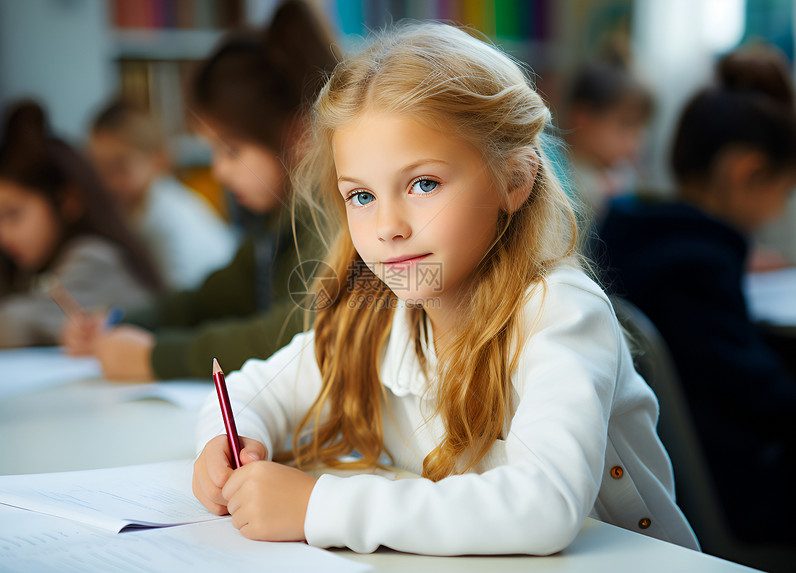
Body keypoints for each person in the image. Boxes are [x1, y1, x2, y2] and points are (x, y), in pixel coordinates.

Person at [191, 22, 699, 555]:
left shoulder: (561, 313)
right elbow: (249, 391)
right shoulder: (374, 314)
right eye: (361, 196)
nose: (388, 226)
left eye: (423, 184)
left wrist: (319, 505)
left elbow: (543, 506)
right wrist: (225, 443)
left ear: (514, 181)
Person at [61, 0, 336, 380]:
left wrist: (154, 359)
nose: (218, 172)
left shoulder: (332, 215)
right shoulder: (278, 220)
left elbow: (293, 333)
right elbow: (211, 300)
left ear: (298, 134)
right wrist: (120, 321)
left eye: (232, 150)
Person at [597, 45, 796, 544]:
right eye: (784, 188)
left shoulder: (632, 230)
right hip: (732, 494)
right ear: (746, 171)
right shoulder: (696, 268)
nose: (778, 209)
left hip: (674, 477)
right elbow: (763, 397)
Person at [0, 101, 162, 348]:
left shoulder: (93, 256)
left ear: (68, 201)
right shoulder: (39, 264)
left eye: (12, 214)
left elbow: (15, 326)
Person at [88, 100, 239, 291]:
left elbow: (179, 294)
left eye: (120, 166)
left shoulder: (167, 218)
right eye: (98, 168)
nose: (107, 181)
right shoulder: (132, 208)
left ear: (159, 160)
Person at [562, 59, 654, 220]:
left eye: (639, 130)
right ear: (583, 119)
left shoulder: (620, 182)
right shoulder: (555, 180)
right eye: (625, 125)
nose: (635, 142)